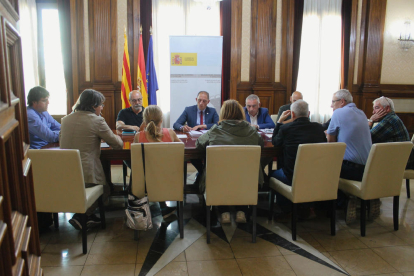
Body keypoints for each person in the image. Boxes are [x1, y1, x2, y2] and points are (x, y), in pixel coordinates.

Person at [60, 89, 123, 230]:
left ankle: (86, 217)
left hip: (66, 172)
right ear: (94, 105)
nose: (102, 108)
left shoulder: (66, 119)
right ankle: (81, 217)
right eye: (101, 105)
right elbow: (117, 145)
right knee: (106, 189)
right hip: (87, 171)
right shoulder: (96, 120)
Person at [196, 99, 264, 224]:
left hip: (218, 180)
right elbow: (261, 144)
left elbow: (199, 144)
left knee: (220, 176)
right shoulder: (252, 131)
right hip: (246, 181)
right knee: (240, 175)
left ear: (223, 114)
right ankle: (241, 210)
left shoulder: (215, 131)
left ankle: (223, 212)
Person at [271, 100, 326, 220]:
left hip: (292, 176)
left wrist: (279, 122)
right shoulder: (318, 128)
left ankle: (286, 210)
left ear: (293, 115)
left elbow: (275, 142)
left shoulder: (286, 128)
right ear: (309, 113)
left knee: (273, 174)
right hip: (315, 176)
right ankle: (310, 207)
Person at [326, 89, 372, 224]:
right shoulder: (362, 113)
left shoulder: (339, 112)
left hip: (351, 169)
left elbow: (331, 143)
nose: (331, 105)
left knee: (322, 170)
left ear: (342, 102)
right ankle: (364, 199)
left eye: (333, 102)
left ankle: (344, 201)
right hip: (367, 170)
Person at [133, 105, 181, 218]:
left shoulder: (138, 137)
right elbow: (181, 152)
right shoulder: (170, 133)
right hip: (169, 178)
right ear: (161, 119)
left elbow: (135, 161)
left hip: (146, 181)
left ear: (144, 120)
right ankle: (164, 207)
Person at [367, 96, 412, 219]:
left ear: (386, 109)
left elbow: (367, 139)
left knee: (359, 165)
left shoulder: (389, 121)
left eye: (376, 108)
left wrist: (370, 121)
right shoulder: (391, 118)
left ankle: (368, 197)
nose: (373, 112)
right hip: (401, 160)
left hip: (398, 163)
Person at [173, 91, 219, 186]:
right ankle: (203, 173)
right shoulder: (189, 110)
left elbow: (218, 124)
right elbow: (176, 124)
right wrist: (182, 127)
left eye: (204, 101)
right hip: (193, 141)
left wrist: (203, 126)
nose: (201, 103)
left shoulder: (212, 111)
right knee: (192, 155)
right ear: (196, 100)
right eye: (199, 100)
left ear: (208, 102)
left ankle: (201, 175)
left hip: (208, 140)